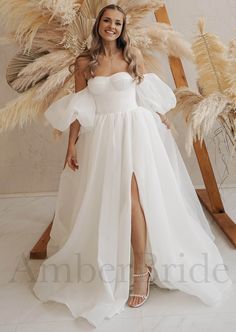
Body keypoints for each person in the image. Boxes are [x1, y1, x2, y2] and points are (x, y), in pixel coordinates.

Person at [33, 4, 232, 327]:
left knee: (135, 199)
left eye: (117, 23)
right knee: (111, 201)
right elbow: (81, 105)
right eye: (107, 21)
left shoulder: (132, 55)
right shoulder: (85, 62)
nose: (111, 26)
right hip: (102, 137)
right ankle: (114, 261)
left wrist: (159, 116)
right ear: (98, 24)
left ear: (123, 28)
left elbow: (140, 93)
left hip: (137, 132)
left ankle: (141, 270)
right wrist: (71, 144)